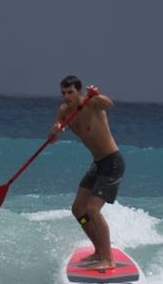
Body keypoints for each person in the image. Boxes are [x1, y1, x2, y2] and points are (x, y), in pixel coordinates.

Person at [48, 75, 125, 271]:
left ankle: (108, 258)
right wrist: (55, 131)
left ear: (79, 92)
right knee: (78, 211)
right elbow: (53, 138)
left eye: (70, 92)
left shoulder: (92, 104)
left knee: (92, 210)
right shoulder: (64, 111)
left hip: (112, 163)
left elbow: (109, 104)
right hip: (97, 164)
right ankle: (98, 249)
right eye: (64, 93)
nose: (66, 96)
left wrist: (96, 95)